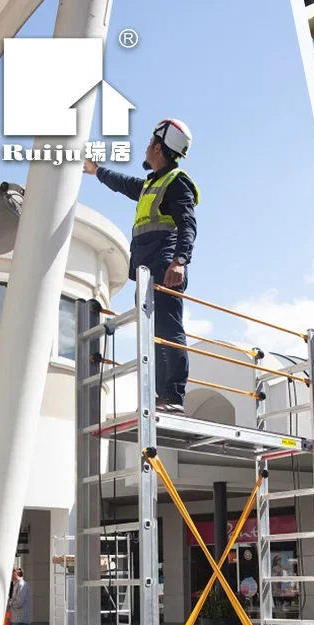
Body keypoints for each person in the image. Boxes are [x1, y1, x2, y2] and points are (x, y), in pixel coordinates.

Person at [84, 119, 199, 413]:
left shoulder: (177, 183)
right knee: (151, 336)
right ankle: (160, 397)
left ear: (158, 147)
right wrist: (97, 171)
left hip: (166, 267)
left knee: (168, 330)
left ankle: (173, 395)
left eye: (150, 143)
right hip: (146, 272)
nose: (146, 148)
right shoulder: (152, 183)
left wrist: (181, 261)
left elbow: (188, 225)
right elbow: (124, 185)